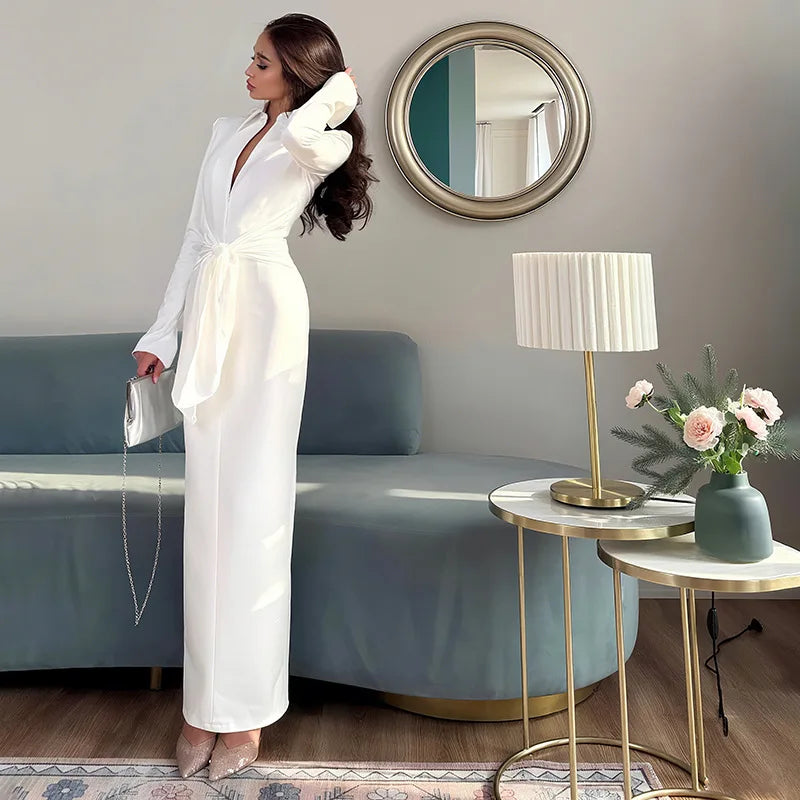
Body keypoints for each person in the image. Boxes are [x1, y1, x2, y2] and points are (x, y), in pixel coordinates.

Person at [131, 13, 377, 781]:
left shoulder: (320, 137)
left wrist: (334, 94)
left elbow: (308, 141)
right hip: (209, 312)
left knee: (256, 518)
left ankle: (244, 719)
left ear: (301, 75)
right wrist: (160, 336)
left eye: (264, 62)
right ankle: (202, 708)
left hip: (267, 323)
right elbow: (195, 241)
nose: (248, 70)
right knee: (210, 518)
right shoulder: (222, 131)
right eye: (253, 58)